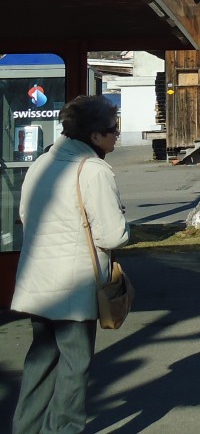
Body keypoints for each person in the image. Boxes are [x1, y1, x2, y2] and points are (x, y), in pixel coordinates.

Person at [11, 94, 129, 434]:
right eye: (113, 129)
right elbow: (113, 235)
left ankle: (26, 427)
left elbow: (24, 215)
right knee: (75, 367)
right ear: (94, 136)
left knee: (41, 363)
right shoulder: (93, 170)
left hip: (37, 282)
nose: (117, 135)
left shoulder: (42, 163)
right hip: (74, 288)